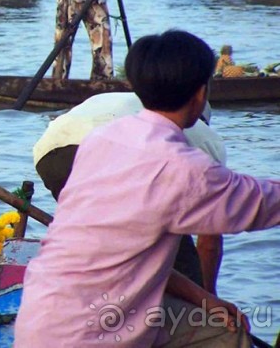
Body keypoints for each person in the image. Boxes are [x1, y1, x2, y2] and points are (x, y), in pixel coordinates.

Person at [17, 29, 280, 347]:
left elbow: (129, 255)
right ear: (200, 94)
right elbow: (260, 204)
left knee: (207, 318)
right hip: (90, 334)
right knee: (228, 336)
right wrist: (207, 292)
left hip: (39, 316)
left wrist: (204, 299)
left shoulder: (103, 139)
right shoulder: (183, 166)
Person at [33, 92, 225, 294]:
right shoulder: (205, 139)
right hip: (108, 153)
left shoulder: (131, 101)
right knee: (180, 263)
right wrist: (208, 295)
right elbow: (209, 241)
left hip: (51, 154)